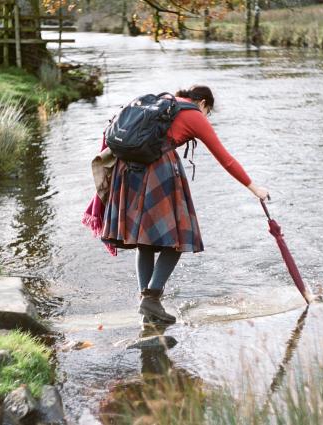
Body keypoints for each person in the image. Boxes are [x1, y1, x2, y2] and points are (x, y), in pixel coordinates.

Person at [83, 85, 269, 325]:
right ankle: (151, 297)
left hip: (126, 170)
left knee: (144, 240)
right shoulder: (193, 114)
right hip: (158, 171)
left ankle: (147, 303)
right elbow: (226, 159)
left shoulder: (162, 102)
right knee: (179, 238)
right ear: (202, 102)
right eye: (207, 111)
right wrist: (254, 188)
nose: (205, 116)